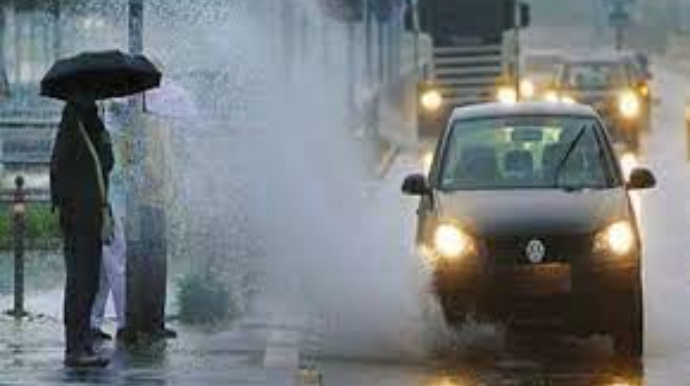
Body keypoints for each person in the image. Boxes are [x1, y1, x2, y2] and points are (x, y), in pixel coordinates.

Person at [50, 98, 114, 368]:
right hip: (81, 217)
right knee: (81, 282)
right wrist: (68, 207)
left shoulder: (87, 122)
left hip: (88, 215)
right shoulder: (78, 123)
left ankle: (82, 343)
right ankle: (75, 348)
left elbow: (106, 163)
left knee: (87, 282)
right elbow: (60, 168)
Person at [90, 213, 126, 341]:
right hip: (109, 211)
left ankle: (93, 323)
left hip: (96, 211)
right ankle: (124, 323)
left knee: (102, 271)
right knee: (117, 269)